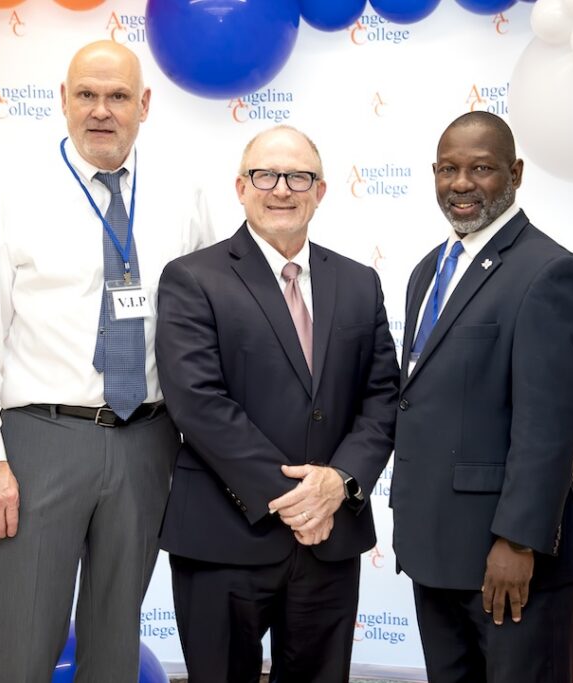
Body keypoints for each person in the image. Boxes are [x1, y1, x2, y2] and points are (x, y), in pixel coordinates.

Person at [0, 41, 213, 682]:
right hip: (41, 441)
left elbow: (208, 321)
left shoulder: (181, 193)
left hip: (149, 439)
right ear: (63, 101)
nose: (101, 110)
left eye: (118, 96)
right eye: (86, 95)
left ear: (143, 105)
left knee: (115, 638)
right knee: (21, 640)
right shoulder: (16, 191)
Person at [154, 125, 399, 683]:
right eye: (266, 175)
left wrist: (338, 482)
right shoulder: (193, 277)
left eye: (299, 177)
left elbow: (383, 396)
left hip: (330, 540)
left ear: (321, 190)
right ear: (241, 187)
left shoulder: (361, 283)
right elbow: (197, 402)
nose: (282, 189)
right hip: (223, 538)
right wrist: (296, 496)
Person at [390, 111, 573, 683]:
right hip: (436, 551)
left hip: (506, 561)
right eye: (448, 169)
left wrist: (518, 541)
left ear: (515, 173)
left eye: (481, 168)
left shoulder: (550, 272)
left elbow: (550, 424)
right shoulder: (427, 271)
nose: (461, 184)